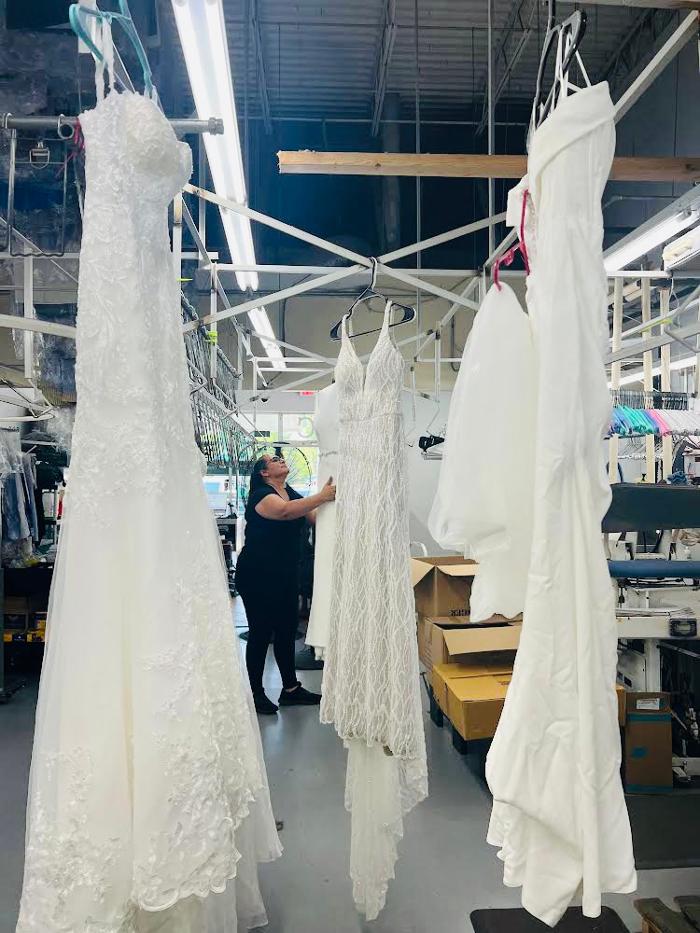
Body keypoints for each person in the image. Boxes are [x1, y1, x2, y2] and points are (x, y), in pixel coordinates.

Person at [236, 454, 336, 714]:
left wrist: (333, 502)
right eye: (273, 459)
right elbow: (285, 511)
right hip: (257, 575)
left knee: (286, 631)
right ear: (264, 473)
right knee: (260, 633)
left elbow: (313, 516)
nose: (281, 459)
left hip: (285, 574)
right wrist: (322, 496)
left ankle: (290, 689)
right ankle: (256, 693)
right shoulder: (261, 495)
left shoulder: (289, 491)